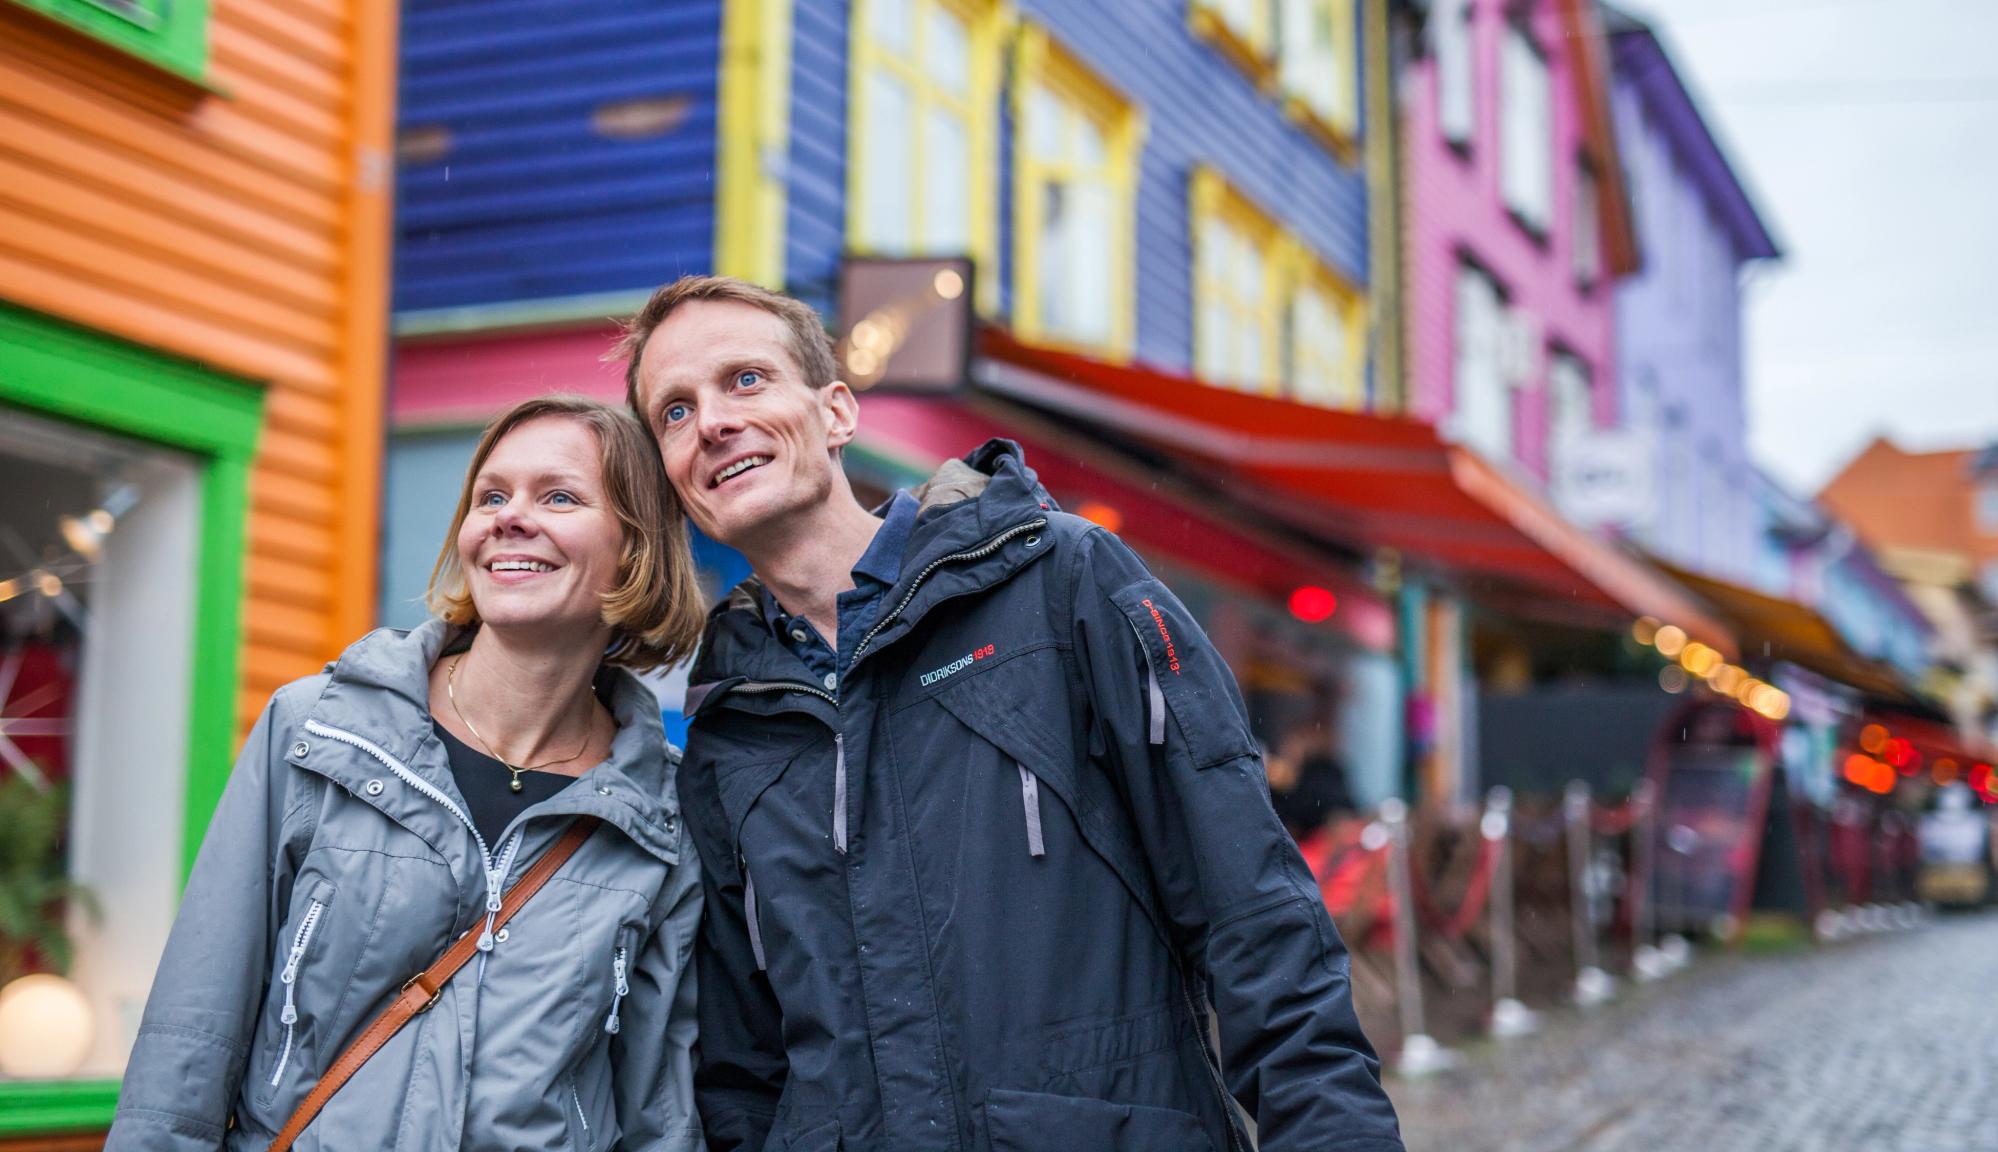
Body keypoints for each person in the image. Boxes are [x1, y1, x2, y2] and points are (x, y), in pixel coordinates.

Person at [616, 275, 1406, 1152]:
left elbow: (1252, 912)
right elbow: (741, 1071)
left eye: (746, 380)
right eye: (675, 413)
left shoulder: (1063, 585)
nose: (714, 422)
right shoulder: (730, 724)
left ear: (837, 412)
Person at [109, 396, 710, 1151]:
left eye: (558, 496)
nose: (509, 517)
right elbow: (190, 1035)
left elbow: (659, 1103)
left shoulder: (660, 811)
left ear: (637, 548)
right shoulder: (320, 731)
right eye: (491, 496)